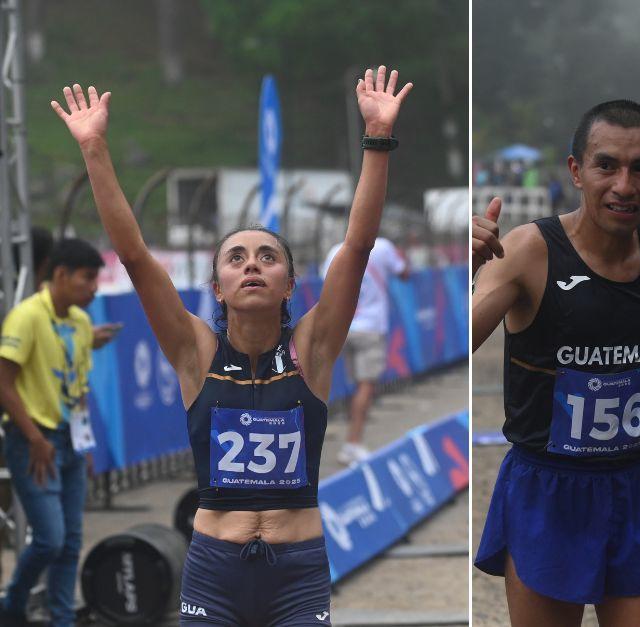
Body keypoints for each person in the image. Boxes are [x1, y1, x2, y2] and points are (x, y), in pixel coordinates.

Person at [50, 66, 411, 626]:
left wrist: (378, 140)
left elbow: (357, 247)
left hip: (298, 572)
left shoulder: (311, 349)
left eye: (268, 257)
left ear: (290, 284)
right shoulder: (194, 351)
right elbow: (137, 258)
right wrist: (94, 147)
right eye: (236, 258)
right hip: (213, 572)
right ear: (216, 286)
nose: (252, 266)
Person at [472, 100, 640, 626]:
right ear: (576, 171)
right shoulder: (529, 250)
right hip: (549, 487)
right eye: (606, 166)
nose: (624, 184)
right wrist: (471, 268)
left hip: (639, 485)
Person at [0, 238, 103, 626]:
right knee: (50, 539)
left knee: (71, 541)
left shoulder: (80, 322)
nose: (94, 287)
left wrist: (85, 442)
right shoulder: (25, 317)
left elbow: (77, 388)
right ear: (60, 275)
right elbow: (4, 382)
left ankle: (62, 619)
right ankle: (12, 604)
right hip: (33, 441)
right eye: (87, 278)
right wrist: (34, 438)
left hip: (70, 443)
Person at [321, 236, 408, 465]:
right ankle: (353, 443)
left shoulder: (334, 250)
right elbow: (404, 273)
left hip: (342, 326)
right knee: (365, 386)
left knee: (346, 386)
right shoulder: (384, 246)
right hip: (371, 327)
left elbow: (326, 285)